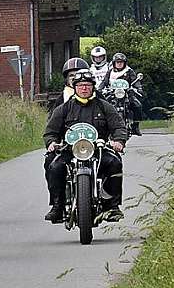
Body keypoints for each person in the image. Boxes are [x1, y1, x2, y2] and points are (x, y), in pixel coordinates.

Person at [43, 68, 129, 222]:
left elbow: (119, 127)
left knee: (115, 162)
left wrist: (119, 141)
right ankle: (57, 206)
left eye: (88, 85)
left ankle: (112, 207)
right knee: (53, 166)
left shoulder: (104, 106)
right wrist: (52, 143)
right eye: (80, 85)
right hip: (70, 150)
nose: (84, 88)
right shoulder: (64, 108)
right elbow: (50, 132)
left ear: (93, 87)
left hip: (98, 150)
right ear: (75, 87)